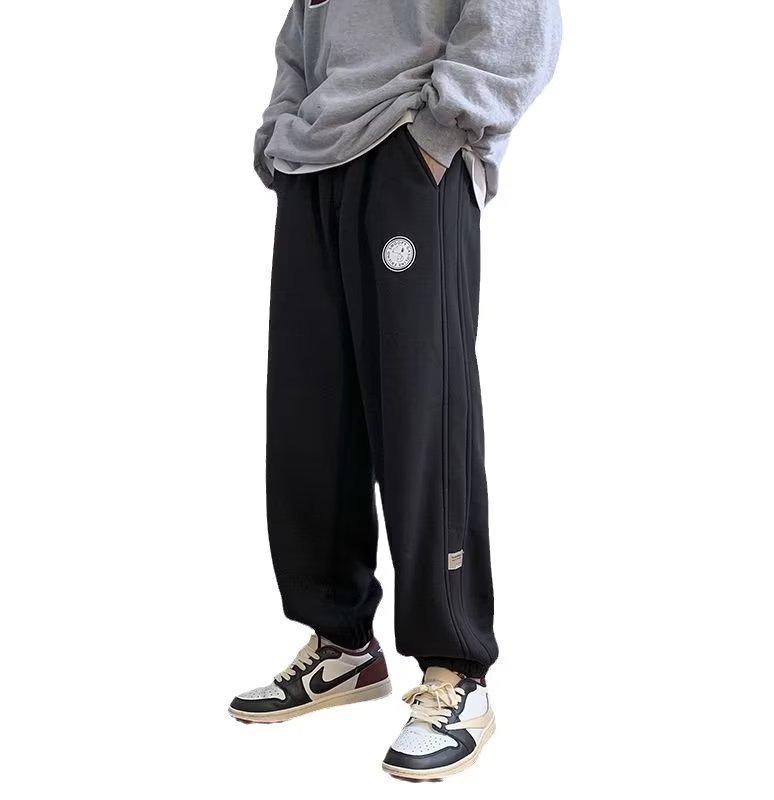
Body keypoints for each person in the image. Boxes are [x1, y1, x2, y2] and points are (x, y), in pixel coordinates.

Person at [228, 0, 561, 780]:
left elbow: (519, 18)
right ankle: (342, 644)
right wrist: (280, 135)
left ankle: (457, 672)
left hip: (410, 153)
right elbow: (303, 34)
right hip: (313, 166)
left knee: (422, 416)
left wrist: (444, 130)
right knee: (311, 417)